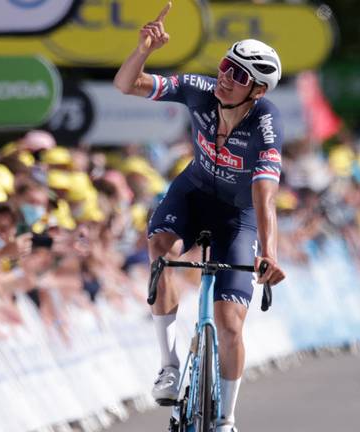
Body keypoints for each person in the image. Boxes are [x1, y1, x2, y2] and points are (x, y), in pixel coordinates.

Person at [115, 4, 286, 431]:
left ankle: (225, 418)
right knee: (160, 249)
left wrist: (269, 253)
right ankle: (169, 365)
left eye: (240, 76)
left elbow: (265, 193)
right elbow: (125, 84)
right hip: (192, 193)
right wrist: (142, 51)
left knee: (230, 324)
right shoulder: (200, 88)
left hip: (238, 215)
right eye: (227, 66)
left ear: (258, 91)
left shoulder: (266, 123)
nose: (227, 78)